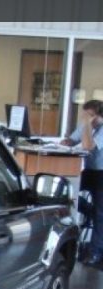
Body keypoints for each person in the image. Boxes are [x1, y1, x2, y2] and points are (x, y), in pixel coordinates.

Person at [62, 99, 103, 266]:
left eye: (91, 115)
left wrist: (87, 124)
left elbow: (87, 145)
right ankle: (88, 212)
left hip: (102, 174)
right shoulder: (87, 125)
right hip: (89, 171)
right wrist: (65, 143)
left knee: (101, 214)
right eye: (85, 115)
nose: (87, 118)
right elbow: (69, 141)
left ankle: (95, 252)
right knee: (68, 194)